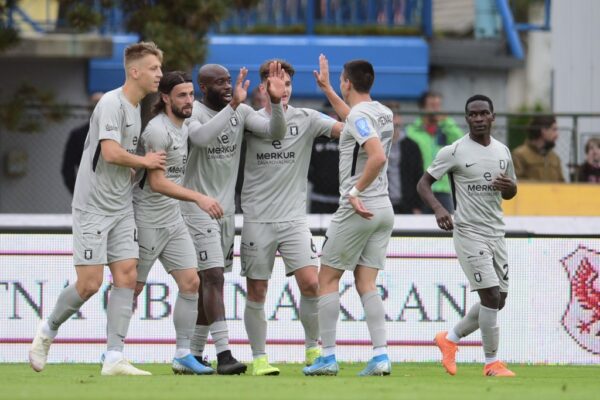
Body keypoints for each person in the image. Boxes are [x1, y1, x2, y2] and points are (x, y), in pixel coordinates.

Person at [29, 42, 166, 376]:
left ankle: (114, 356)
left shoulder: (135, 107)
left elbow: (118, 159)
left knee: (127, 275)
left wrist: (131, 171)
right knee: (89, 284)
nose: (159, 74)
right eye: (153, 68)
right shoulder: (110, 103)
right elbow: (110, 153)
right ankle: (47, 330)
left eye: (160, 68)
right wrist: (144, 161)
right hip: (92, 207)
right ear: (134, 71)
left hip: (121, 206)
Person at [183, 62, 287, 375]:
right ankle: (224, 354)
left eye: (229, 80)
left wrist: (276, 102)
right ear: (204, 87)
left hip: (226, 212)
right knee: (213, 278)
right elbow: (200, 138)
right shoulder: (194, 112)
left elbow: (275, 131)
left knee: (210, 282)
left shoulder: (240, 112)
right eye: (219, 82)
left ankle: (193, 354)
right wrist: (233, 107)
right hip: (197, 209)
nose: (227, 86)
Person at [240, 58, 343, 376]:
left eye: (287, 83)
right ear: (262, 87)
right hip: (258, 219)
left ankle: (313, 348)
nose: (283, 89)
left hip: (294, 220)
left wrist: (329, 90)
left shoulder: (307, 118)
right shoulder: (249, 119)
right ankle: (259, 358)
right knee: (257, 291)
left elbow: (349, 130)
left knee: (312, 284)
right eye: (276, 83)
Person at [304, 55, 394, 376]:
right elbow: (354, 121)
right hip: (383, 209)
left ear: (348, 83)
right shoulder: (382, 112)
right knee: (366, 282)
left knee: (327, 279)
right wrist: (328, 89)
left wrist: (354, 192)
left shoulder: (359, 115)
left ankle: (327, 357)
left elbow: (377, 156)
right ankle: (381, 356)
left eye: (339, 80)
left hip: (359, 207)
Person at [416, 94, 518, 378]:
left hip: (496, 233)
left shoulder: (502, 151)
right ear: (467, 118)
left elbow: (511, 192)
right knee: (490, 294)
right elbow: (423, 184)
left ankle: (449, 339)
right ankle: (491, 363)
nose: (478, 118)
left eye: (483, 113)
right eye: (473, 114)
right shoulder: (454, 151)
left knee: (499, 299)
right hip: (469, 232)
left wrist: (509, 187)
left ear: (493, 116)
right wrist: (439, 209)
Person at [132, 71, 223, 375]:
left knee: (191, 282)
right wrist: (198, 198)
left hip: (173, 219)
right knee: (131, 289)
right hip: (147, 219)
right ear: (165, 98)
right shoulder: (157, 131)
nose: (188, 101)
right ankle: (113, 352)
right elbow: (157, 183)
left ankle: (183, 354)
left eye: (191, 95)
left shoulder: (183, 127)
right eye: (182, 95)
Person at [406, 91, 464, 213]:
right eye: (432, 105)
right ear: (423, 108)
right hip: (421, 187)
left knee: (448, 222)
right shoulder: (413, 130)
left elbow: (461, 141)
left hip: (443, 188)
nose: (435, 110)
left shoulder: (446, 128)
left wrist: (446, 121)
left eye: (438, 106)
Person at [61, 92, 104, 194]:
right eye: (95, 106)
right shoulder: (77, 135)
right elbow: (68, 168)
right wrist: (77, 192)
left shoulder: (116, 133)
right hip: (88, 190)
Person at [385, 105, 423, 214]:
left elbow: (418, 176)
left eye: (395, 116)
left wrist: (417, 206)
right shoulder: (375, 145)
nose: (392, 121)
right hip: (382, 204)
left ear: (400, 119)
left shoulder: (411, 146)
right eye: (388, 117)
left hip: (407, 205)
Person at [308, 102, 340, 214]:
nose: (332, 117)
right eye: (329, 113)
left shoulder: (347, 138)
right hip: (319, 198)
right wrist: (316, 178)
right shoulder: (315, 137)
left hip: (343, 199)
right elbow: (306, 163)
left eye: (335, 113)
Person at [512, 115, 565, 182]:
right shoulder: (519, 155)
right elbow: (516, 180)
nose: (557, 135)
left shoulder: (555, 157)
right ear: (543, 130)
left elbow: (561, 182)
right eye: (554, 130)